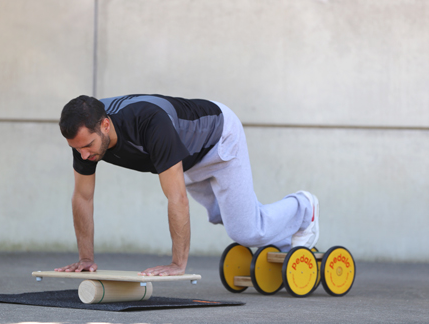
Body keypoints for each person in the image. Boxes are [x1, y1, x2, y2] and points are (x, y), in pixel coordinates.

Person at [54, 94, 319, 276]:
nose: (84, 155)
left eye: (88, 146)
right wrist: (86, 259)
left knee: (246, 231)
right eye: (76, 149)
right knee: (220, 216)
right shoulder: (84, 136)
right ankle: (284, 241)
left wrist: (177, 264)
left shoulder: (149, 123)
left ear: (105, 124)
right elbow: (83, 198)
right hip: (187, 158)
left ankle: (304, 208)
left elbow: (176, 198)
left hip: (219, 138)